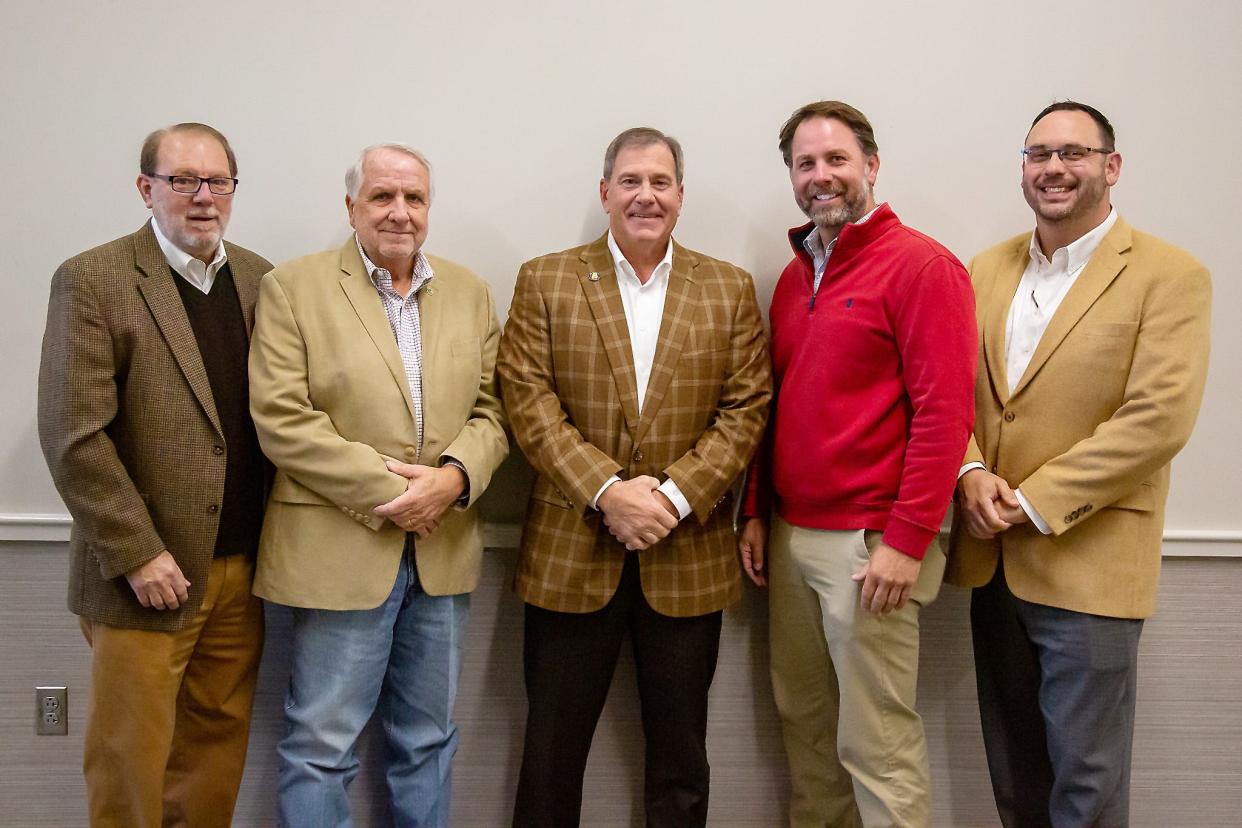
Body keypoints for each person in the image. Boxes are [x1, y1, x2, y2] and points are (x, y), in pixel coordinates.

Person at [947, 101, 1212, 828]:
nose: (1054, 168)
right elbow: (947, 395)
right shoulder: (984, 269)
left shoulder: (1170, 275)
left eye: (1074, 153)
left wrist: (1030, 498)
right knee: (1016, 777)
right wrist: (968, 473)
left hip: (1089, 567)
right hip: (990, 560)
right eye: (1038, 155)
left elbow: (1157, 419)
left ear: (1111, 166)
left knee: (1086, 788)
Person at [498, 126, 771, 827]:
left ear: (681, 195)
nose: (645, 195)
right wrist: (608, 492)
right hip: (570, 554)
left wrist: (672, 498)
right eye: (630, 181)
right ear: (605, 192)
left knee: (681, 762)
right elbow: (527, 401)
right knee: (551, 757)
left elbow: (747, 409)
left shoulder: (729, 288)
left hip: (687, 560)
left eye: (659, 182)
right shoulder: (546, 278)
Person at [247, 142, 508, 827]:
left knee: (428, 741)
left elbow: (494, 410)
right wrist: (399, 495)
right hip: (339, 550)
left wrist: (451, 480)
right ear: (351, 206)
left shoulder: (470, 291)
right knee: (320, 746)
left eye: (414, 198)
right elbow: (281, 419)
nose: (400, 212)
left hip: (442, 553)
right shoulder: (292, 287)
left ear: (429, 208)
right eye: (382, 197)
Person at [738, 100, 977, 828]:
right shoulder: (790, 278)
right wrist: (754, 509)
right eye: (805, 164)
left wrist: (907, 541)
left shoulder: (923, 267)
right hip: (791, 537)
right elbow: (769, 403)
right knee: (806, 731)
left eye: (837, 160)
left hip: (873, 544)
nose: (822, 177)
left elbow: (945, 416)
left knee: (876, 742)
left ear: (871, 166)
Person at [38, 122, 272, 827]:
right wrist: (139, 553)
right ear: (147, 189)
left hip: (242, 569)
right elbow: (74, 437)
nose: (203, 197)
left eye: (218, 181)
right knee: (129, 768)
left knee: (212, 760)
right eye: (183, 181)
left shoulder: (261, 278)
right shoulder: (94, 279)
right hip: (147, 578)